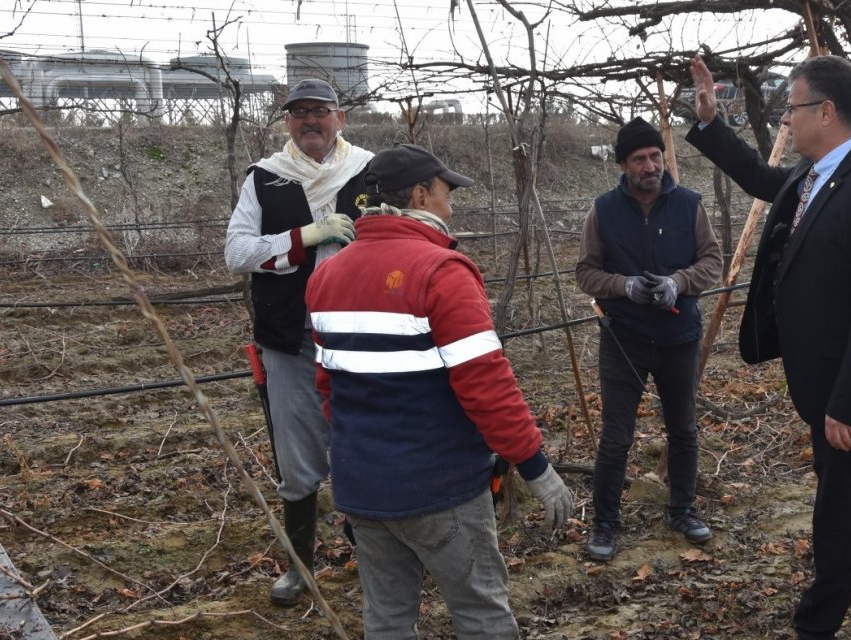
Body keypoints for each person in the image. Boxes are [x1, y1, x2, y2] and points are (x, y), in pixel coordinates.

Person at [684, 54, 851, 640]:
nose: (785, 122)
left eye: (792, 109)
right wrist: (711, 124)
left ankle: (814, 625)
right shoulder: (814, 172)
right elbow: (760, 180)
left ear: (825, 110)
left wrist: (847, 403)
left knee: (839, 511)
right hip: (825, 377)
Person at [304, 143, 575, 639]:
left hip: (361, 485)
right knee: (481, 615)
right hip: (438, 485)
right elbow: (486, 385)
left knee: (386, 620)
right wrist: (537, 468)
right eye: (446, 192)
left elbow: (329, 390)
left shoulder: (327, 275)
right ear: (420, 194)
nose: (451, 206)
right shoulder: (441, 271)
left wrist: (356, 461)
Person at [223, 78, 373, 606]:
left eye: (321, 111)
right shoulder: (265, 178)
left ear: (340, 117)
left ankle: (375, 551)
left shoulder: (371, 171)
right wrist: (305, 237)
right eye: (299, 113)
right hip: (290, 336)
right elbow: (238, 252)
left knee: (366, 438)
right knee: (296, 452)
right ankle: (300, 567)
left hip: (363, 333)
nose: (311, 121)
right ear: (286, 122)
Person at [575, 117, 724, 562]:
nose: (650, 165)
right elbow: (585, 272)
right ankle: (605, 523)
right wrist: (625, 287)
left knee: (682, 429)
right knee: (616, 436)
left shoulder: (689, 205)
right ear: (623, 164)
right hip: (624, 339)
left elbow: (712, 261)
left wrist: (678, 283)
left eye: (655, 156)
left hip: (679, 336)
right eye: (639, 158)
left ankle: (682, 510)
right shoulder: (603, 210)